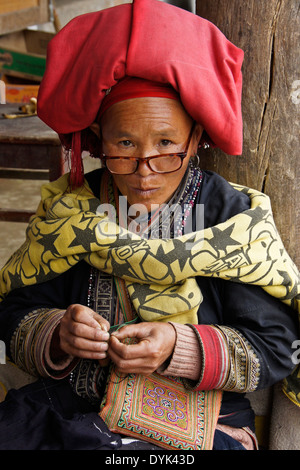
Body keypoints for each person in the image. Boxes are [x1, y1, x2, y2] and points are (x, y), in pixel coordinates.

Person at [0, 0, 299, 451]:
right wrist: (57, 332)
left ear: (195, 137)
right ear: (98, 140)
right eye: (124, 144)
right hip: (73, 408)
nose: (144, 171)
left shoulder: (232, 217)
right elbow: (12, 312)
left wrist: (181, 345)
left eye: (166, 144)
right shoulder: (70, 210)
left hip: (196, 428)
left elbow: (278, 345)